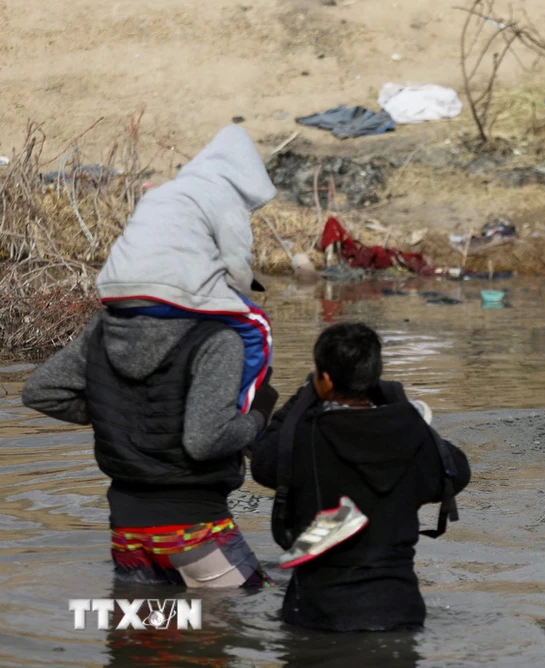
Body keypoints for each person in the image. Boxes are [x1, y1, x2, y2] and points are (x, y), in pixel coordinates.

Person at [20, 125, 282, 588]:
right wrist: (260, 416)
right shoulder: (217, 340)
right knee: (241, 623)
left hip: (126, 532)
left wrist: (112, 410)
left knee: (140, 644)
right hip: (193, 529)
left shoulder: (104, 329)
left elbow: (40, 391)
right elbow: (205, 440)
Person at [249, 322, 471, 633]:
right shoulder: (413, 438)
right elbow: (457, 473)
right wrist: (401, 410)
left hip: (319, 618)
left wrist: (298, 403)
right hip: (399, 613)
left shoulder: (304, 437)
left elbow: (262, 462)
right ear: (374, 375)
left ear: (324, 379)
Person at [96, 124, 276, 415]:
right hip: (164, 291)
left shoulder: (166, 193)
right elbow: (238, 272)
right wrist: (238, 301)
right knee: (258, 328)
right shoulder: (225, 199)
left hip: (114, 288)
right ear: (246, 173)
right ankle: (238, 415)